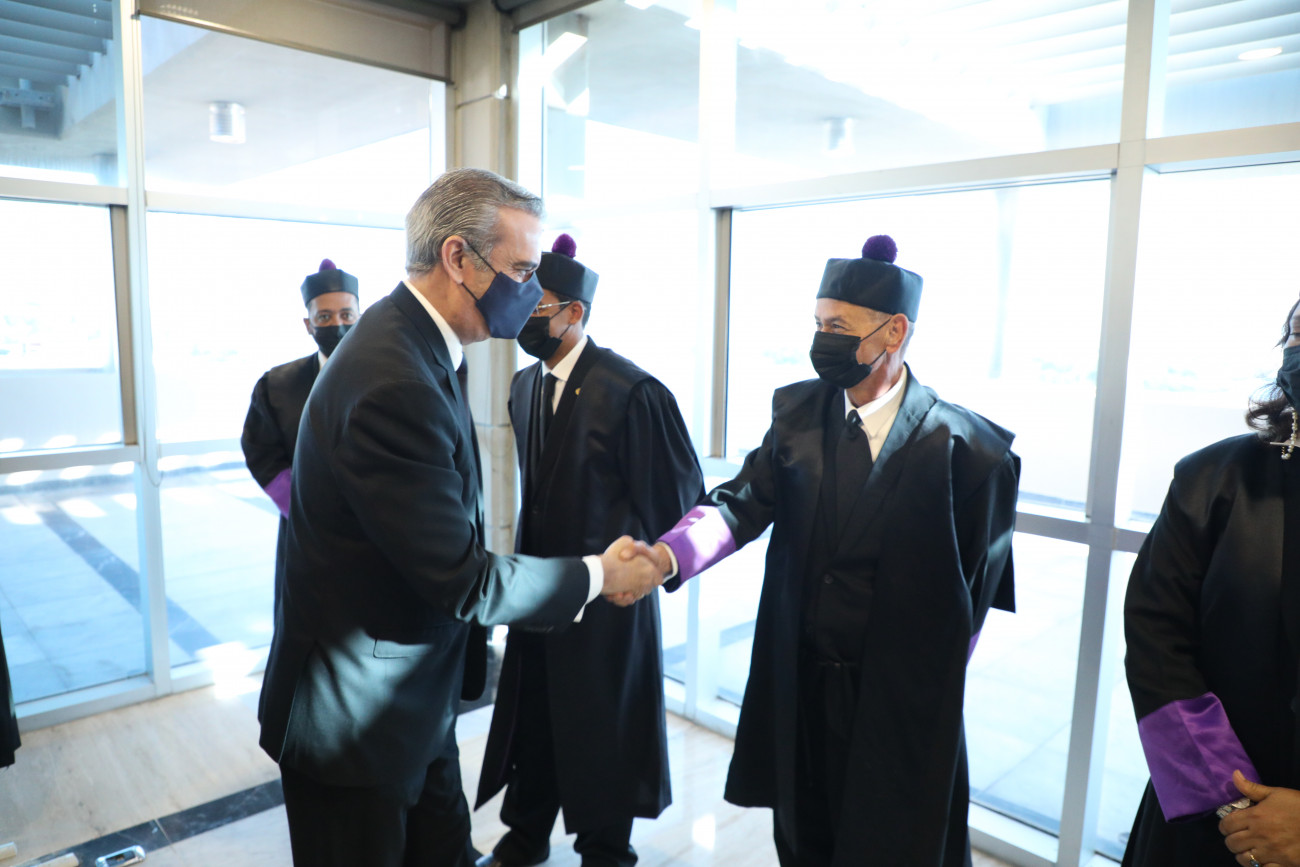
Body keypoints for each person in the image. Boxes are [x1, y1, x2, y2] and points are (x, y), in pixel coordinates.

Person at [256, 168, 663, 867]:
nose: (531, 290)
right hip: (355, 724)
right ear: (458, 258)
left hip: (413, 699)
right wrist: (601, 574)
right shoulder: (393, 378)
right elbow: (464, 577)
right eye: (522, 270)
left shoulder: (416, 343)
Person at [639, 235, 1020, 867]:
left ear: (894, 330)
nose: (822, 339)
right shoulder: (796, 415)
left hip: (898, 700)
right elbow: (741, 503)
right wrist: (667, 557)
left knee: (892, 843)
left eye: (838, 326)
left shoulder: (969, 452)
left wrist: (930, 680)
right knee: (803, 834)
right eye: (818, 324)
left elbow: (976, 593)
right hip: (800, 681)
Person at [474, 235, 704, 867]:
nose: (522, 314)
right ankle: (524, 837)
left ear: (575, 312)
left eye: (537, 304)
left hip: (610, 605)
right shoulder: (524, 385)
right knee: (536, 718)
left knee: (602, 729)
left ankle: (605, 850)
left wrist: (649, 567)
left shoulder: (632, 392)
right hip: (539, 591)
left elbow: (680, 506)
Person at [1122, 297, 1300, 867]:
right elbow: (1156, 640)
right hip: (1213, 818)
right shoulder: (1212, 478)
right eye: (1298, 335)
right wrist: (1231, 800)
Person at [241, 259, 359, 631]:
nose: (337, 324)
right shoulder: (277, 385)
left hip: (373, 532)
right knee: (306, 627)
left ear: (360, 317)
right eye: (324, 317)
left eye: (346, 314)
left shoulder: (390, 378)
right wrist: (305, 508)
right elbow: (260, 450)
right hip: (305, 532)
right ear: (308, 325)